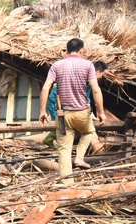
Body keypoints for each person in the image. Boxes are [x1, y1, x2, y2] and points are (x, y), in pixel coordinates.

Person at [39, 38, 106, 184]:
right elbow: (95, 89)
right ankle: (79, 157)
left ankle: (67, 184)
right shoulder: (88, 65)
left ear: (67, 50)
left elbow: (45, 88)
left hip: (63, 115)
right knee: (88, 132)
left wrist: (43, 111)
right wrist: (101, 112)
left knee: (63, 150)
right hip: (82, 113)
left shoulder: (57, 65)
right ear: (81, 51)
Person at [43, 60, 108, 153]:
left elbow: (86, 98)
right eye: (102, 74)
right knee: (61, 126)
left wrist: (90, 113)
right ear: (97, 72)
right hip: (56, 103)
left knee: (65, 126)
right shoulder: (87, 79)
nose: (101, 77)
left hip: (64, 104)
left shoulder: (85, 77)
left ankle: (61, 148)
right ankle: (51, 141)